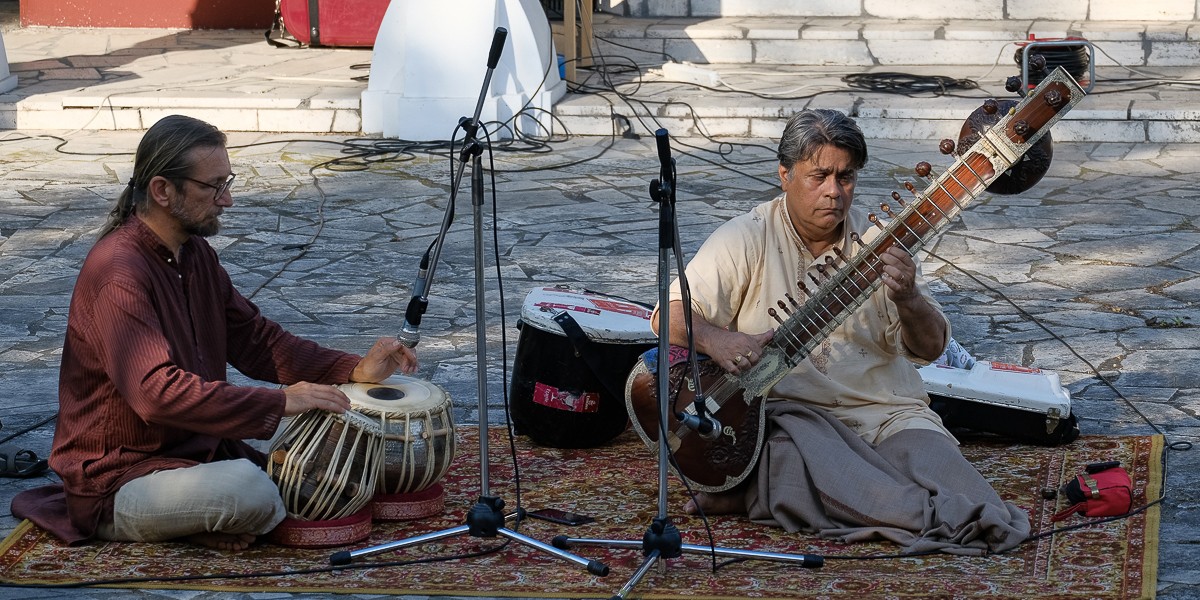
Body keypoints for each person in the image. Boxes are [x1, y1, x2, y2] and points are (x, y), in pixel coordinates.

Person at [12, 115, 418, 552]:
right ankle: (163, 521)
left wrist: (354, 369)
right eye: (214, 186)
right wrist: (281, 402)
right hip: (118, 479)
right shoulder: (118, 272)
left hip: (198, 453)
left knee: (343, 443)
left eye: (228, 183)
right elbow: (156, 394)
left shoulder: (194, 255)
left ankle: (197, 520)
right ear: (163, 190)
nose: (227, 200)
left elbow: (256, 340)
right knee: (249, 490)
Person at [656, 109, 1030, 555]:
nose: (834, 192)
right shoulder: (746, 238)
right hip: (795, 421)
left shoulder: (880, 246)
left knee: (972, 495)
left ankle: (763, 496)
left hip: (886, 414)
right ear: (785, 175)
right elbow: (666, 316)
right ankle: (924, 517)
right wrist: (718, 340)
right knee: (801, 466)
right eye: (819, 176)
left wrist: (909, 298)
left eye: (846, 177)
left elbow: (931, 349)